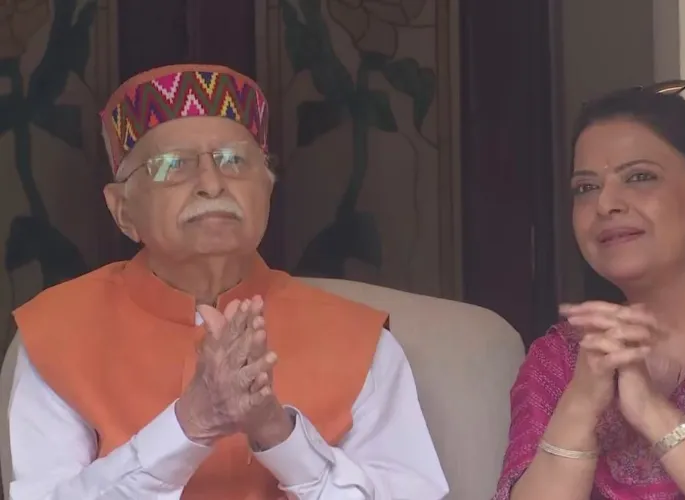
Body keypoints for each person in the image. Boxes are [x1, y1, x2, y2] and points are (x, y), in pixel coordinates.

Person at [7, 64, 449, 500]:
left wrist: (281, 436)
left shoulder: (358, 340)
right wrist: (189, 424)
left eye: (235, 160)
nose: (212, 183)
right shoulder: (58, 333)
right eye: (173, 165)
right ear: (122, 209)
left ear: (267, 191)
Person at [494, 87, 685, 499]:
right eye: (585, 188)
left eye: (640, 177)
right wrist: (582, 402)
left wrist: (651, 411)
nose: (605, 204)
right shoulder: (560, 359)